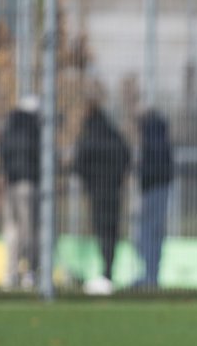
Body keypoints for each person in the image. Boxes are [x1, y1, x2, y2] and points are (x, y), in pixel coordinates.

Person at [74, 100, 131, 296]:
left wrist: (89, 182)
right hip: (113, 192)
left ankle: (104, 275)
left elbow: (79, 163)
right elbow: (126, 156)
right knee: (111, 233)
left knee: (101, 232)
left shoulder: (89, 136)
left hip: (97, 193)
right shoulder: (113, 134)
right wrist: (116, 178)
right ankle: (107, 273)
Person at [0, 95, 41, 291]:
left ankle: (12, 272)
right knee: (29, 230)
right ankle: (30, 272)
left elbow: (3, 154)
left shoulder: (9, 128)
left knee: (12, 230)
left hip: (11, 183)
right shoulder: (33, 130)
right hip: (28, 184)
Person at [135, 108, 174, 289]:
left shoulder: (153, 141)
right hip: (158, 190)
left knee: (147, 234)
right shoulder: (162, 141)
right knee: (152, 234)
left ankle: (149, 277)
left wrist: (143, 177)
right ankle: (150, 275)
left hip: (152, 190)